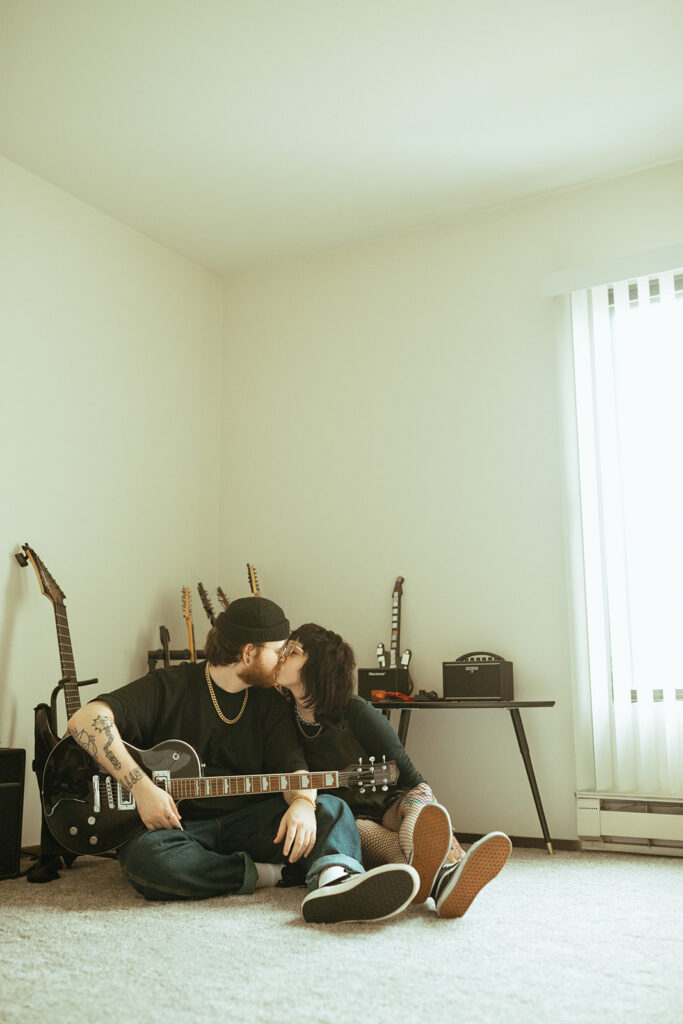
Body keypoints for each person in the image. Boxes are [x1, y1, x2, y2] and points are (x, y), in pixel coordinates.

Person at [66, 597, 419, 924]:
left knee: (331, 808)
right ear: (249, 652)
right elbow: (85, 720)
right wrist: (141, 788)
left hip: (251, 822)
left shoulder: (270, 701)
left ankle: (337, 882)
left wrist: (300, 802)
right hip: (181, 829)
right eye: (279, 651)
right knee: (150, 861)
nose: (284, 659)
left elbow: (292, 763)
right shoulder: (170, 686)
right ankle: (276, 875)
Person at [274, 623, 512, 918]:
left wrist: (420, 805)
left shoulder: (357, 712)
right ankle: (446, 878)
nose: (281, 656)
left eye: (292, 651)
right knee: (370, 837)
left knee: (420, 808)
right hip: (353, 820)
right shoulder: (282, 719)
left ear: (317, 666)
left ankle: (442, 866)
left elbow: (412, 779)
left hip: (394, 803)